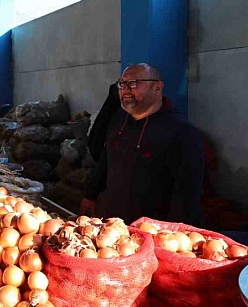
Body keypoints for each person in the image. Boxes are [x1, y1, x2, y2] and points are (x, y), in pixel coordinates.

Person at [80, 63, 205, 226]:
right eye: (122, 84)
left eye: (133, 83)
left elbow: (187, 194)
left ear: (157, 88)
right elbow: (106, 160)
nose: (125, 90)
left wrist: (171, 233)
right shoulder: (118, 120)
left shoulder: (182, 132)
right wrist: (90, 195)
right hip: (112, 226)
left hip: (150, 230)